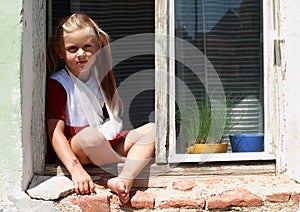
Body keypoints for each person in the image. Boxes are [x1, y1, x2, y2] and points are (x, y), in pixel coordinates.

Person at [46, 13, 155, 204]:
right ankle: (127, 164)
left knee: (153, 130)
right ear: (60, 51)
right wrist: (76, 169)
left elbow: (108, 125)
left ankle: (124, 178)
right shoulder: (59, 84)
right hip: (81, 146)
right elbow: (55, 133)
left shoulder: (98, 78)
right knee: (89, 136)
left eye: (87, 47)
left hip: (103, 144)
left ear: (99, 47)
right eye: (72, 49)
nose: (81, 54)